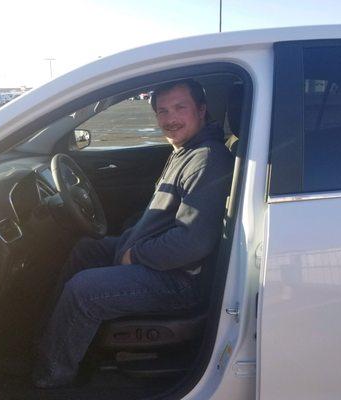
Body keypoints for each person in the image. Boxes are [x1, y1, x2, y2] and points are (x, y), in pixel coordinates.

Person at [33, 79, 234, 388]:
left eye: (180, 108)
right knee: (87, 249)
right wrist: (130, 237)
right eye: (162, 111)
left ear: (202, 110)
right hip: (161, 261)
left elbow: (192, 242)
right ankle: (50, 337)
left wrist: (134, 254)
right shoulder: (185, 150)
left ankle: (51, 378)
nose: (170, 119)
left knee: (83, 290)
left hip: (181, 281)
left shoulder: (206, 159)